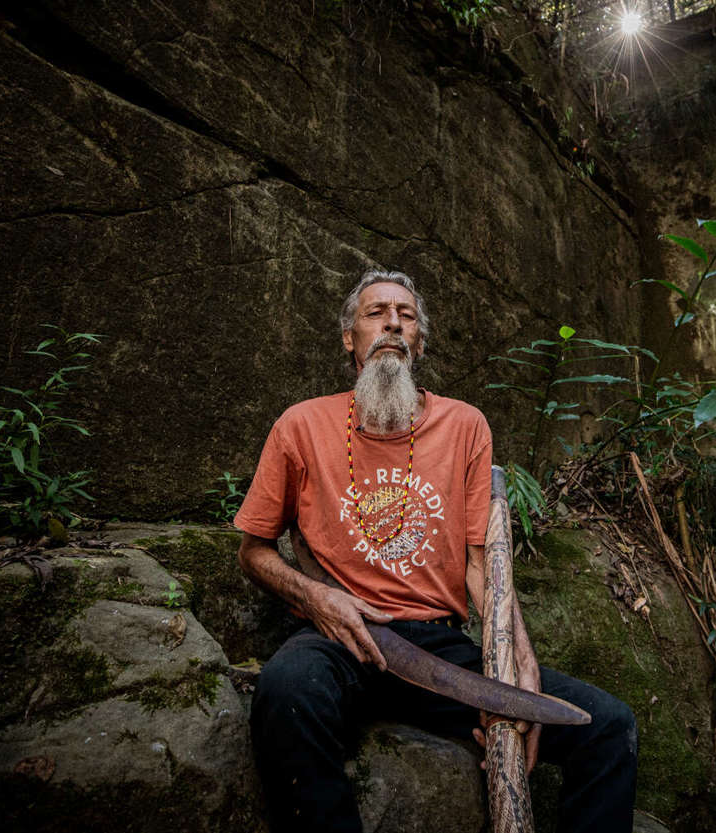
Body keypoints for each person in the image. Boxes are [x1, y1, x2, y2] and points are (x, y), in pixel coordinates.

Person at [234, 270, 637, 832]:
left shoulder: (464, 425)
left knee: (610, 726)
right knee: (286, 691)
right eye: (375, 313)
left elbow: (481, 568)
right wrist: (321, 600)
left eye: (406, 314)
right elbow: (253, 551)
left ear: (420, 341)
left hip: (439, 647)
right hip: (342, 636)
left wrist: (520, 665)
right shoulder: (300, 426)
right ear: (348, 338)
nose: (392, 323)